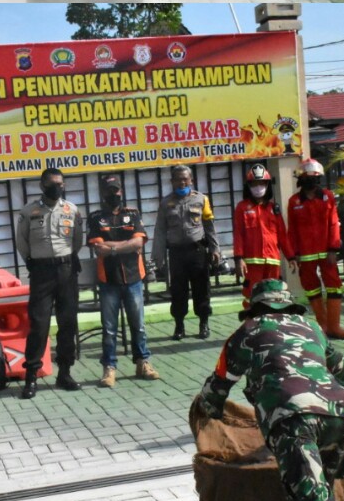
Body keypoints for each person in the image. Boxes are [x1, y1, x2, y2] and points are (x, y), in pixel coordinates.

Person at [197, 278, 344, 501]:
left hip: (293, 418)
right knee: (322, 498)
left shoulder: (248, 330)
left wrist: (207, 410)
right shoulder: (311, 326)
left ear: (256, 308)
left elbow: (219, 383)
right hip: (343, 413)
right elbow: (341, 365)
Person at [15, 168, 84, 399]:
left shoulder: (72, 210)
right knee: (39, 325)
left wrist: (64, 258)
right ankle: (31, 377)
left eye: (61, 184)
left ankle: (65, 373)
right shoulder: (29, 211)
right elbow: (22, 241)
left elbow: (77, 241)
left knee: (67, 323)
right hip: (42, 272)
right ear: (42, 186)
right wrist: (32, 262)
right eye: (53, 184)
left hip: (66, 270)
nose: (58, 187)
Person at [86, 175, 160, 388]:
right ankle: (109, 368)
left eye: (116, 191)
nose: (114, 194)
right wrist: (125, 246)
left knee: (138, 325)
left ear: (121, 192)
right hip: (108, 279)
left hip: (133, 278)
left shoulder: (132, 214)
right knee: (109, 328)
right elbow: (98, 249)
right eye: (110, 191)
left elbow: (139, 242)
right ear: (103, 193)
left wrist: (113, 247)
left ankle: (143, 362)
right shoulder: (96, 217)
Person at [152, 164, 220, 340]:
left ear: (191, 180)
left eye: (185, 179)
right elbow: (159, 231)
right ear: (172, 181)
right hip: (176, 254)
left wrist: (215, 248)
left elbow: (209, 226)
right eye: (178, 179)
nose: (182, 182)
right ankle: (179, 326)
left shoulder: (201, 199)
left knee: (202, 290)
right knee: (178, 291)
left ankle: (203, 324)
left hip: (197, 251)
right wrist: (157, 256)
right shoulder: (166, 203)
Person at [287, 158, 344, 340]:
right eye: (308, 177)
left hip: (327, 252)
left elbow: (333, 223)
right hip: (305, 254)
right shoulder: (294, 202)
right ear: (301, 178)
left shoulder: (327, 197)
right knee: (312, 289)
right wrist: (293, 254)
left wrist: (333, 248)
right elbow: (291, 229)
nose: (312, 181)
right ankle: (323, 326)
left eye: (315, 177)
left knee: (334, 287)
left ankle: (335, 326)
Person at [233, 163, 295, 300]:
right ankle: (251, 320)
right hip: (252, 262)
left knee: (273, 295)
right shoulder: (242, 207)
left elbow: (282, 235)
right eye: (254, 183)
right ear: (248, 186)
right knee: (252, 296)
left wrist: (290, 257)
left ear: (267, 185)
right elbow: (238, 234)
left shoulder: (274, 208)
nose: (258, 187)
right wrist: (238, 259)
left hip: (272, 260)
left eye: (261, 183)